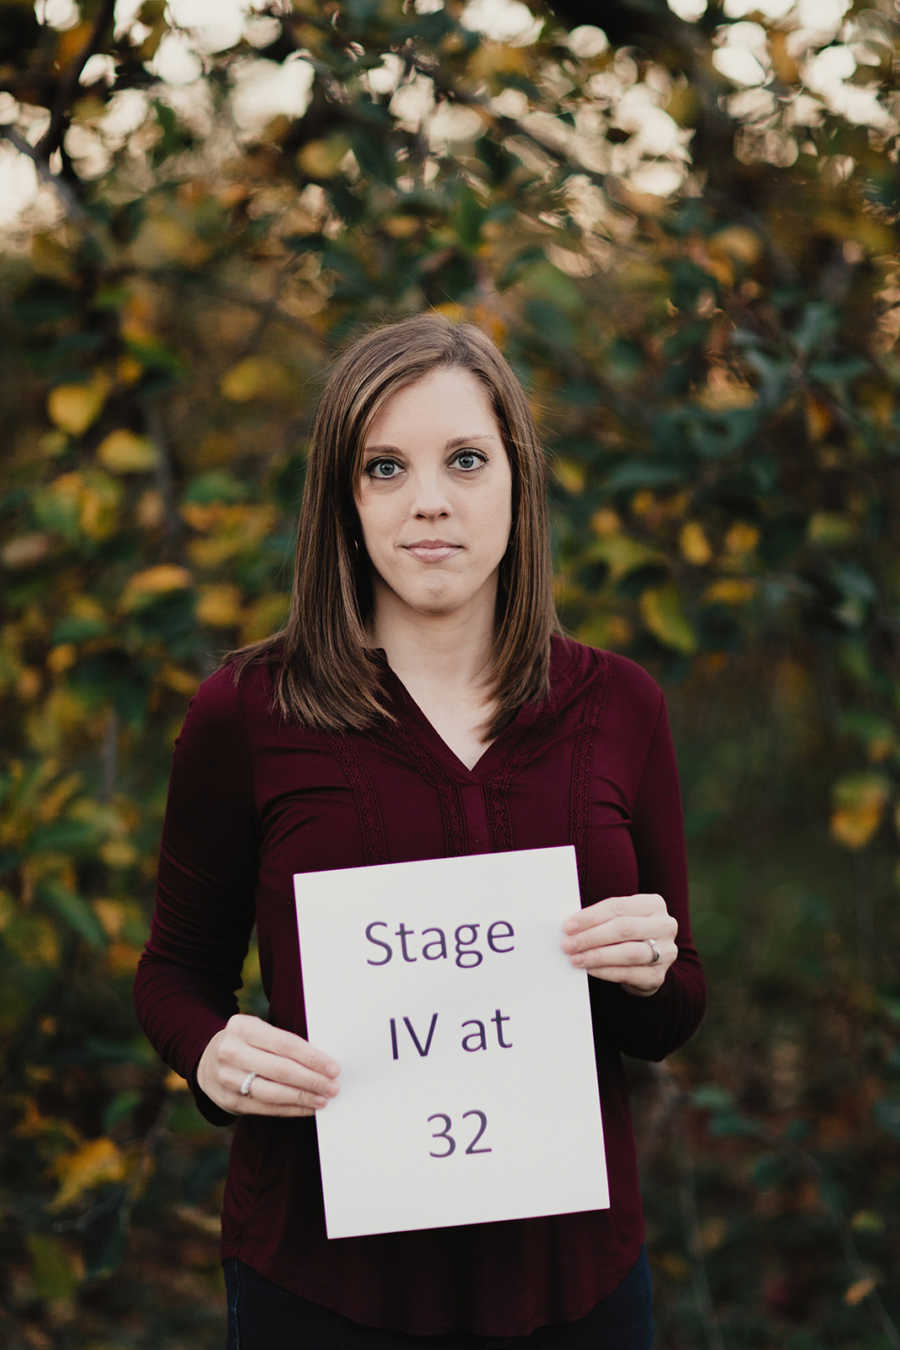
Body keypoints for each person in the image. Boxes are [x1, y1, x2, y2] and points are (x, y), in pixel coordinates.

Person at [134, 313, 705, 1349]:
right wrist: (213, 1055)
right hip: (326, 1287)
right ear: (345, 505)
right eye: (386, 467)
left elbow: (670, 1017)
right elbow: (174, 974)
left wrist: (649, 968)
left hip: (574, 1286)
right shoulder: (249, 712)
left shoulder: (620, 706)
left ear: (518, 483)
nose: (429, 500)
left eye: (466, 460)